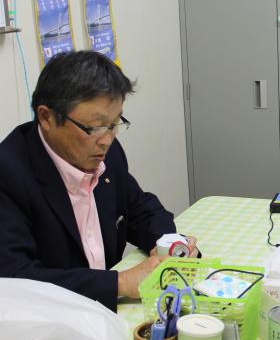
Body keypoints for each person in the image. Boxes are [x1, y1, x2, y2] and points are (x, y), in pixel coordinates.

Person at [0, 51, 198, 312]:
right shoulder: (9, 173)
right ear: (46, 117)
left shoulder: (106, 152)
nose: (106, 139)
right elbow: (14, 277)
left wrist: (170, 244)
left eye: (115, 124)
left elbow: (140, 208)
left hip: (105, 314)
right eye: (94, 127)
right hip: (48, 322)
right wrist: (120, 283)